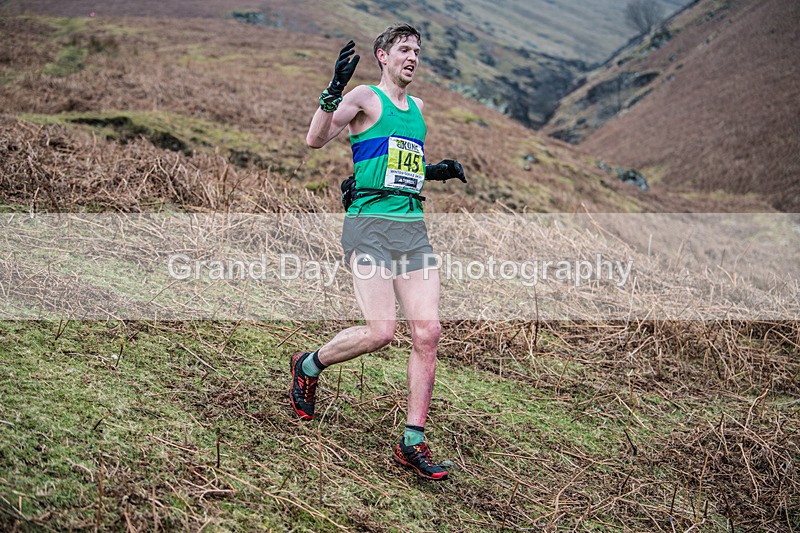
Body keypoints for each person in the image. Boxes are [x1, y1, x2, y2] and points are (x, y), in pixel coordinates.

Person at [291, 23, 467, 481]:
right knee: (382, 332)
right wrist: (333, 92)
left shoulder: (420, 109)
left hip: (411, 229)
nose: (413, 56)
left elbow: (395, 161)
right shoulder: (366, 97)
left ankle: (412, 441)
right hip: (368, 227)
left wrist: (432, 170)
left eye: (417, 50)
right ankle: (309, 365)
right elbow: (315, 138)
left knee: (428, 332)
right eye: (404, 49)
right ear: (383, 55)